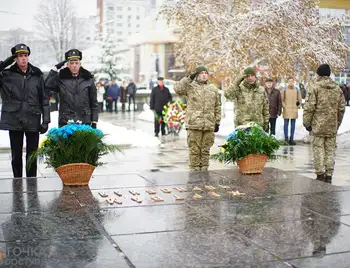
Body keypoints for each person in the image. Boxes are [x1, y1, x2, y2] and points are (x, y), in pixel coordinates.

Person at [0, 44, 50, 178]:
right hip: (14, 119)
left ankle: (31, 181)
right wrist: (5, 64)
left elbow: (44, 99)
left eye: (25, 55)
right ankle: (17, 182)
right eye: (20, 56)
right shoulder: (6, 74)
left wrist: (46, 121)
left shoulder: (37, 74)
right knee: (16, 154)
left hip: (32, 118)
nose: (23, 59)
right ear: (15, 58)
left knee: (32, 154)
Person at [303, 64, 345, 183]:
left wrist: (307, 123)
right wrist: (337, 123)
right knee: (330, 151)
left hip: (318, 126)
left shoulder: (315, 87)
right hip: (332, 126)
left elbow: (309, 107)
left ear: (318, 74)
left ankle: (320, 174)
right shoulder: (337, 88)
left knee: (318, 149)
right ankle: (329, 174)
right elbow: (341, 108)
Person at [174, 66, 221, 171]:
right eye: (201, 73)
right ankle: (194, 174)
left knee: (205, 150)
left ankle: (204, 172)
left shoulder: (213, 89)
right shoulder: (190, 87)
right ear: (197, 75)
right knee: (194, 151)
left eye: (206, 73)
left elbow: (217, 106)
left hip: (209, 124)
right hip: (194, 124)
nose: (204, 75)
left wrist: (217, 122)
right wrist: (188, 78)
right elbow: (177, 88)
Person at [45, 49, 99, 128]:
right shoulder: (61, 79)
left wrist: (94, 122)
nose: (74, 65)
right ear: (68, 65)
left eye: (76, 63)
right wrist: (55, 69)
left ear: (80, 64)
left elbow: (94, 103)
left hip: (84, 121)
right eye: (72, 63)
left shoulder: (88, 79)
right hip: (66, 122)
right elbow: (47, 84)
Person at [281, 77, 302, 145]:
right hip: (286, 109)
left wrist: (298, 106)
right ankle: (286, 139)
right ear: (288, 82)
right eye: (289, 81)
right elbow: (282, 99)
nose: (291, 82)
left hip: (294, 109)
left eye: (292, 81)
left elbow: (299, 99)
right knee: (286, 125)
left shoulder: (297, 89)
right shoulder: (284, 89)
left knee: (293, 125)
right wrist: (284, 106)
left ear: (294, 82)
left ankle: (291, 139)